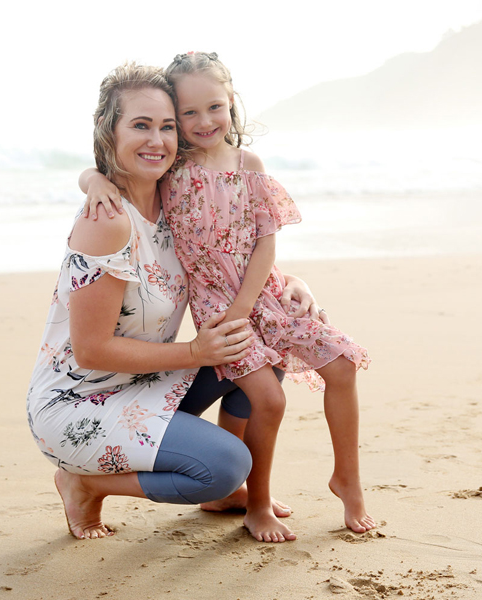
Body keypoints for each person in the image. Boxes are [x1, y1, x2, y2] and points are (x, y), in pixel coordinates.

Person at [79, 52, 374, 543]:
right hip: (218, 306)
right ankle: (257, 502)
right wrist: (92, 181)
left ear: (231, 102)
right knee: (269, 399)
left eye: (214, 107)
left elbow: (264, 243)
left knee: (342, 365)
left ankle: (348, 479)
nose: (203, 121)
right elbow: (103, 172)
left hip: (266, 293)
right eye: (188, 113)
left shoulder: (248, 165)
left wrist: (286, 286)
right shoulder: (170, 167)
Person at [27, 62, 322, 541]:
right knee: (223, 466)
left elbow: (224, 260)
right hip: (79, 404)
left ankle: (227, 494)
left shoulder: (174, 199)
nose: (157, 140)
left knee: (262, 353)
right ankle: (84, 483)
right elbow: (91, 350)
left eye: (166, 126)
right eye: (140, 125)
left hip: (144, 383)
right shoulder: (108, 222)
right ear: (108, 129)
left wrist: (292, 281)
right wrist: (195, 353)